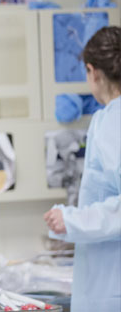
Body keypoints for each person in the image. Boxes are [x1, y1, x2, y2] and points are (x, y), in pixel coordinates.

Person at [44, 26, 121, 312]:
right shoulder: (107, 120)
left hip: (111, 287)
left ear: (93, 72)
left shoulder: (114, 122)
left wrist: (72, 221)